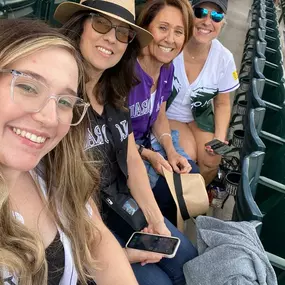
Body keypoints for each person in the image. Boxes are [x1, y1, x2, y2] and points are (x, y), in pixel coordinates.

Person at [54, 0, 197, 284]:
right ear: (80, 24)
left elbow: (131, 159)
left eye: (122, 32)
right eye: (101, 23)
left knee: (188, 258)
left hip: (121, 206)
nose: (111, 37)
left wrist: (155, 219)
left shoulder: (115, 90)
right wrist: (118, 254)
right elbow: (66, 197)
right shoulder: (59, 98)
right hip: (83, 228)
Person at [0, 18, 140, 285]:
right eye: (28, 87)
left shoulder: (56, 164)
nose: (50, 118)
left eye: (65, 101)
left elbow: (94, 231)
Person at [128, 0, 199, 225]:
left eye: (179, 32)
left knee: (191, 175)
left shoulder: (166, 68)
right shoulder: (125, 71)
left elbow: (159, 115)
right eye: (163, 28)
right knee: (169, 195)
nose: (170, 39)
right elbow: (114, 136)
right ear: (146, 28)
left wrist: (171, 152)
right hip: (121, 152)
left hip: (147, 142)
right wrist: (149, 155)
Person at [166, 0, 240, 185]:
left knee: (212, 159)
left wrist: (219, 139)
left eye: (216, 16)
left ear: (223, 22)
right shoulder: (172, 45)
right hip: (167, 114)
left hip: (199, 118)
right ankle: (179, 201)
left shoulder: (224, 58)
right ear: (189, 14)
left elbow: (222, 103)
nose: (207, 21)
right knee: (188, 155)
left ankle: (197, 199)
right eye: (200, 12)